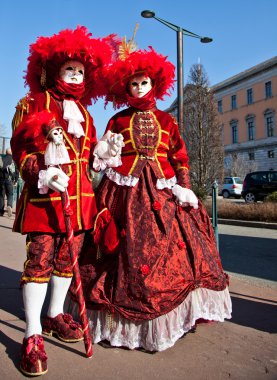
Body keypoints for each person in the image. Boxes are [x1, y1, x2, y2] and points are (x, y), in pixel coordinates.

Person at [66, 43, 232, 352]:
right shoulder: (117, 120)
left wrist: (184, 187)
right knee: (113, 250)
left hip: (164, 192)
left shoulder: (168, 122)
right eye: (133, 83)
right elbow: (100, 157)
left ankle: (170, 321)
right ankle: (119, 326)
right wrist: (102, 154)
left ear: (153, 84)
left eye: (144, 82)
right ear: (126, 86)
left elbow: (179, 157)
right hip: (122, 193)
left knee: (178, 253)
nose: (139, 88)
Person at [11, 26, 115, 376]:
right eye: (69, 69)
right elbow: (21, 149)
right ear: (54, 70)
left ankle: (54, 315)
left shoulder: (86, 115)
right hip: (45, 203)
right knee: (39, 261)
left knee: (66, 263)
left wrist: (102, 154)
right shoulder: (32, 103)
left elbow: (88, 161)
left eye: (80, 71)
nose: (75, 76)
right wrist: (42, 171)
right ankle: (32, 333)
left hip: (80, 203)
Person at [0, 148, 19, 217]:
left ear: (5, 152)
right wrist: (16, 180)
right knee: (10, 195)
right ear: (11, 153)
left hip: (1, 180)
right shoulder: (13, 160)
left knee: (1, 196)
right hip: (10, 180)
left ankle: (1, 211)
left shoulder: (1, 158)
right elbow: (17, 171)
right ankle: (9, 205)